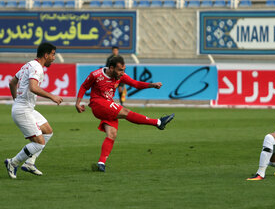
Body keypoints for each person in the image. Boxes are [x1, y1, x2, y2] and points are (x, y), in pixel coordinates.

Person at [75, 56, 174, 172]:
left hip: (108, 106)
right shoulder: (96, 75)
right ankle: (158, 122)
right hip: (98, 104)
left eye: (124, 69)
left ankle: (101, 163)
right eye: (120, 70)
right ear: (111, 68)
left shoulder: (120, 76)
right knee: (125, 111)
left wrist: (152, 85)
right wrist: (77, 103)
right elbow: (84, 86)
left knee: (112, 134)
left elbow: (135, 84)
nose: (122, 73)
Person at [4, 42, 63, 179]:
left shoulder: (28, 64)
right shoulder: (37, 68)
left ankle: (30, 162)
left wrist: (15, 100)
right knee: (39, 143)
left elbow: (12, 82)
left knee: (48, 131)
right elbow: (33, 87)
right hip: (23, 110)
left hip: (26, 108)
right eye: (53, 55)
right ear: (46, 54)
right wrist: (52, 96)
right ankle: (13, 162)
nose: (54, 58)